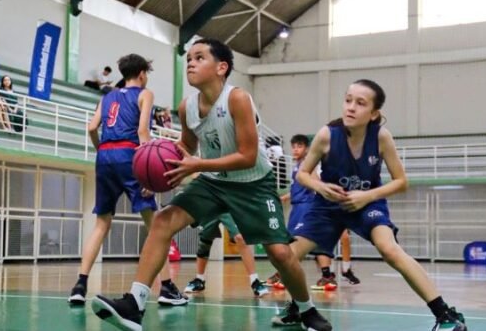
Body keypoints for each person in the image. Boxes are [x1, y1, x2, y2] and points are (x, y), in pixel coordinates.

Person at [91, 38, 331, 331]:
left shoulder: (237, 99)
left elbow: (247, 156)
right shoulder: (186, 106)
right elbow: (186, 146)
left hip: (253, 183)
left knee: (280, 253)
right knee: (162, 222)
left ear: (221, 67)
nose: (190, 62)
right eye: (189, 57)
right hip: (214, 182)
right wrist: (156, 173)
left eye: (199, 57)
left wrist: (199, 165)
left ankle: (305, 309)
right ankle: (134, 304)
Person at [274, 79, 467, 331]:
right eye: (348, 100)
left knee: (390, 249)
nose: (350, 107)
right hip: (327, 206)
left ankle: (445, 315)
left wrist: (367, 196)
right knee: (288, 255)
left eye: (360, 103)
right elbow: (302, 174)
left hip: (367, 204)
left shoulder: (381, 137)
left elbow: (401, 182)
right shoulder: (326, 135)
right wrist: (321, 187)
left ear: (374, 113)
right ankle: (297, 307)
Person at [67, 54, 187, 308]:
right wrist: (146, 173)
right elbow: (143, 131)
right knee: (155, 225)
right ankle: (166, 287)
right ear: (142, 73)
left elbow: (91, 128)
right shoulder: (145, 94)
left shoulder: (107, 95)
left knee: (101, 223)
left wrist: (102, 151)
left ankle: (79, 285)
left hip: (105, 156)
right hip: (130, 155)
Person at [267, 134, 361, 292]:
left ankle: (284, 275)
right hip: (298, 205)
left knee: (294, 242)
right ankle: (326, 276)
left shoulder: (307, 165)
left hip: (306, 206)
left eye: (300, 146)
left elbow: (315, 183)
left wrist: (321, 191)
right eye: (294, 146)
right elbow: (300, 187)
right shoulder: (298, 165)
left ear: (307, 149)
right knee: (303, 242)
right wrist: (286, 196)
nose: (296, 149)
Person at [184, 212, 269, 297]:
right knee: (204, 241)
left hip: (229, 205)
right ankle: (199, 280)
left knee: (239, 238)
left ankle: (254, 281)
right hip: (212, 205)